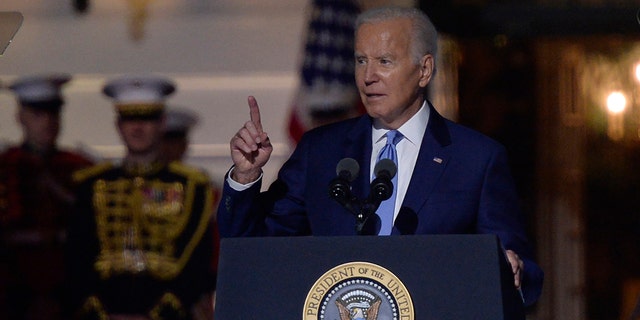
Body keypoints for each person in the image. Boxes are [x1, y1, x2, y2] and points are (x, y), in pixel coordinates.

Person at [217, 6, 543, 307]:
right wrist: (245, 178)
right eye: (361, 61)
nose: (368, 76)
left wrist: (512, 271)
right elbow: (252, 245)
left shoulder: (477, 158)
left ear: (424, 70)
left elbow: (523, 270)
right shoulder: (320, 151)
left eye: (384, 61)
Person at [66, 75, 217, 320]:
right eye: (129, 119)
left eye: (147, 118)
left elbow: (196, 262)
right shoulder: (91, 185)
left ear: (162, 123)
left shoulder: (191, 185)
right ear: (118, 125)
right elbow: (77, 257)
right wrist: (99, 312)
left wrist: (158, 314)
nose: (137, 127)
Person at [0, 74, 94, 320]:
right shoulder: (5, 166)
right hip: (11, 294)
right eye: (38, 115)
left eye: (53, 114)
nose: (48, 123)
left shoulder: (80, 169)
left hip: (71, 294)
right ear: (21, 117)